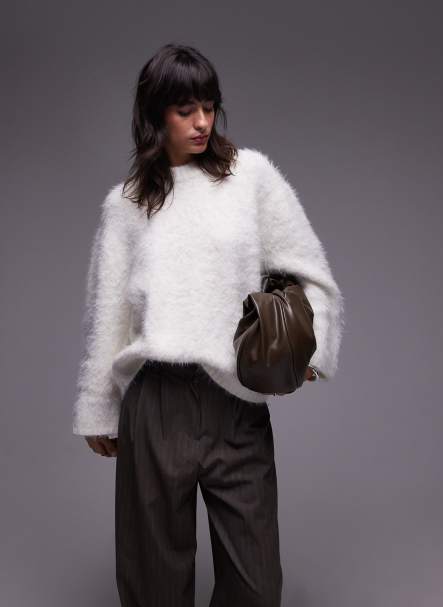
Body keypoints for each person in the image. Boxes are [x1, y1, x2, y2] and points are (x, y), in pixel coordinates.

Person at [72, 43, 344, 607]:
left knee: (256, 585)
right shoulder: (126, 205)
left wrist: (310, 350)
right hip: (156, 404)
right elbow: (109, 315)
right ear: (155, 115)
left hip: (236, 401)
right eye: (185, 110)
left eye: (210, 106)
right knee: (152, 583)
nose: (202, 122)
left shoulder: (251, 176)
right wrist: (99, 406)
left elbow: (309, 271)